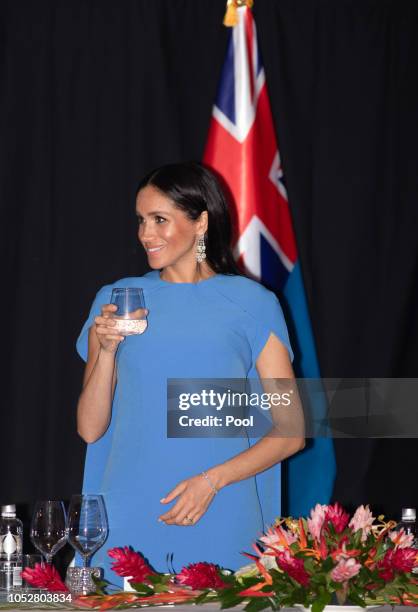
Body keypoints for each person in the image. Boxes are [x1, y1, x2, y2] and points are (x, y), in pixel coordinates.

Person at [76, 162, 304, 582]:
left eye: (160, 220)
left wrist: (211, 482)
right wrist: (106, 350)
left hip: (222, 506)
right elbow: (90, 430)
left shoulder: (252, 303)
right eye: (141, 220)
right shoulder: (116, 300)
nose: (146, 234)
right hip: (129, 511)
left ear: (201, 222)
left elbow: (290, 431)